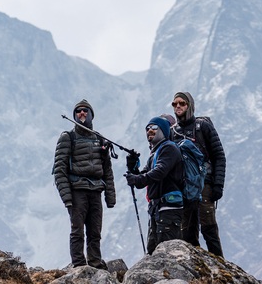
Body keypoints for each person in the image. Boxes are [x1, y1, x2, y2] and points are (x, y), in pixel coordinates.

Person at [53, 99, 115, 269]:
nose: (81, 113)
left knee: (95, 232)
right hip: (77, 191)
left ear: (91, 115)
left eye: (85, 111)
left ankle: (95, 262)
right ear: (74, 115)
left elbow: (107, 170)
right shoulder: (68, 137)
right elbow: (59, 169)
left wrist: (110, 197)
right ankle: (79, 265)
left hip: (96, 191)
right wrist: (67, 198)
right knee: (77, 232)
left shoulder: (100, 139)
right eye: (78, 111)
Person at [170, 91, 226, 257]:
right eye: (174, 104)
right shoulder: (172, 132)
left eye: (182, 103)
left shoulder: (204, 127)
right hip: (183, 188)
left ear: (190, 105)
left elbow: (219, 156)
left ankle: (221, 271)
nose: (178, 106)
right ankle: (195, 272)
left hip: (205, 186)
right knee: (187, 232)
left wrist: (218, 185)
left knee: (209, 229)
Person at [125, 116, 184, 255]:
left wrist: (137, 179)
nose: (150, 130)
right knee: (153, 251)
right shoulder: (155, 153)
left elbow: (158, 173)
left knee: (166, 253)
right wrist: (133, 168)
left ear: (163, 131)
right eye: (148, 128)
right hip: (158, 209)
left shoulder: (169, 148)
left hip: (169, 210)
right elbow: (144, 176)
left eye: (154, 128)